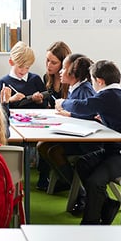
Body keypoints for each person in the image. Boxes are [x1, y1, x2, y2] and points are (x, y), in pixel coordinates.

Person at [55, 60, 121, 225]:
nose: (92, 85)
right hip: (117, 151)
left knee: (95, 181)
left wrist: (63, 103)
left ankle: (91, 224)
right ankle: (107, 205)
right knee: (83, 163)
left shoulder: (107, 95)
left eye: (93, 81)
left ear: (100, 81)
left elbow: (83, 106)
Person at [39, 54, 99, 212]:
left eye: (64, 69)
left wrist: (70, 114)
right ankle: (69, 181)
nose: (60, 71)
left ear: (75, 73)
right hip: (74, 135)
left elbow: (89, 114)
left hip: (87, 142)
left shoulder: (85, 90)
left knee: (54, 151)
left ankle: (81, 193)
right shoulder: (74, 88)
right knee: (42, 146)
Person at [36, 41, 72, 190]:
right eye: (47, 60)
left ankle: (69, 182)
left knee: (46, 143)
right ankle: (46, 178)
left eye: (53, 62)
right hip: (55, 123)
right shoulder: (47, 78)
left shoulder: (70, 81)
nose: (48, 65)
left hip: (69, 127)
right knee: (42, 143)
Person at [0, 41, 48, 114]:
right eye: (20, 67)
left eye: (27, 68)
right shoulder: (3, 82)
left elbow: (46, 104)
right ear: (11, 62)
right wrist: (10, 100)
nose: (23, 71)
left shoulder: (35, 79)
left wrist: (39, 101)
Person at [43, 41, 72, 108]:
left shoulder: (73, 80)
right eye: (47, 60)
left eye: (54, 63)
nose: (48, 65)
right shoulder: (46, 77)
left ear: (63, 64)